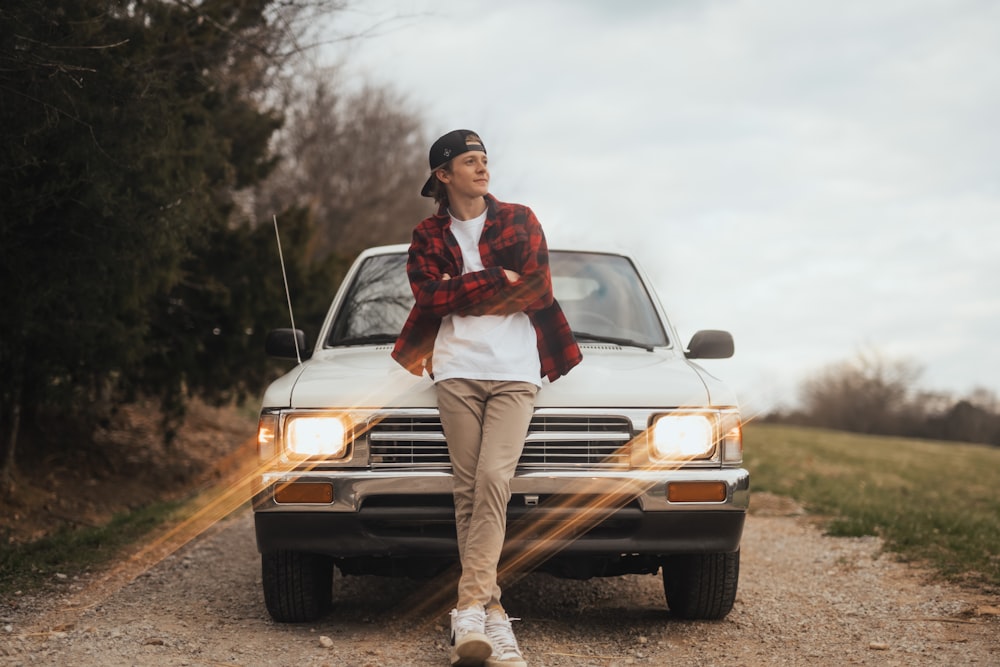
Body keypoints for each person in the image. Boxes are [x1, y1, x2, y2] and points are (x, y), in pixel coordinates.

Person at [392, 130, 582, 667]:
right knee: (469, 490)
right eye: (469, 162)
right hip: (455, 371)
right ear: (443, 176)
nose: (482, 169)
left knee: (495, 479)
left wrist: (468, 290)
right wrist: (498, 278)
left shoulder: (519, 219)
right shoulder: (427, 233)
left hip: (516, 372)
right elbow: (429, 297)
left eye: (484, 160)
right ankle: (493, 621)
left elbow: (539, 290)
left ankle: (467, 607)